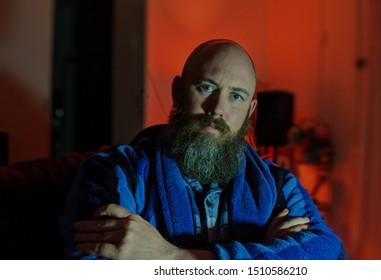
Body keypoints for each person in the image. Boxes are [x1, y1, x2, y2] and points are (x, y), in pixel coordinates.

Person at [61, 39, 343, 260]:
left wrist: (171, 257)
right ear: (178, 92)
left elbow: (330, 256)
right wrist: (266, 256)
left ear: (250, 112)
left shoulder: (280, 185)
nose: (218, 109)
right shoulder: (112, 172)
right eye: (207, 87)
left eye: (236, 96)